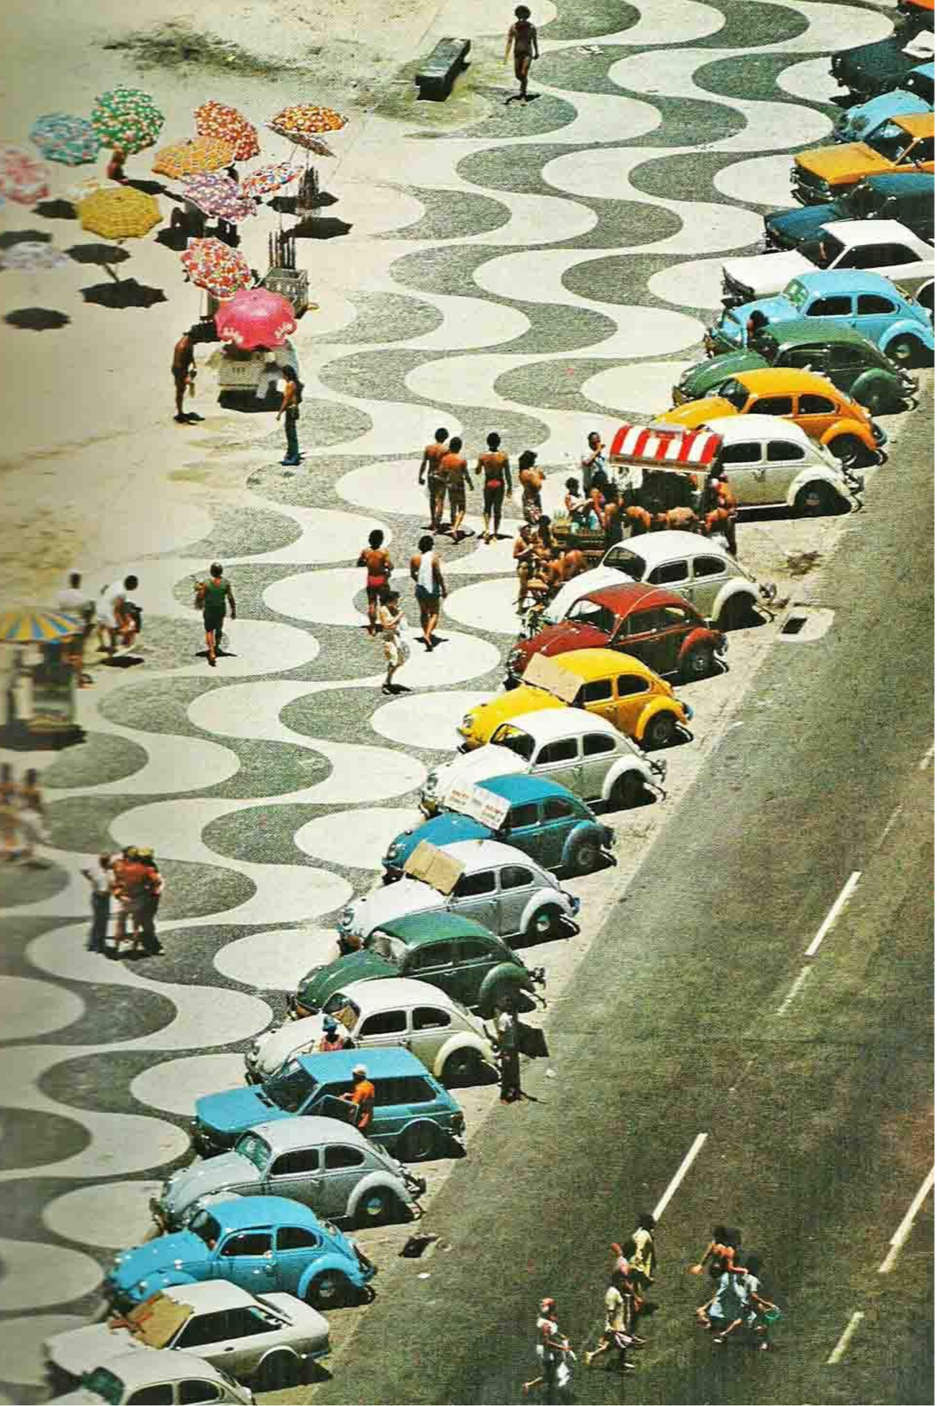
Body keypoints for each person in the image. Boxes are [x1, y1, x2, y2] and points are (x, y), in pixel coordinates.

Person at [583, 1270, 639, 1372]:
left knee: (612, 1345)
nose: (624, 1283)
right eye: (622, 1280)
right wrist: (610, 1326)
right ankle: (618, 1364)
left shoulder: (617, 1290)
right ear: (616, 1280)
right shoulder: (612, 1293)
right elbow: (610, 1311)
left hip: (619, 1322)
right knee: (623, 1343)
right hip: (616, 1324)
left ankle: (592, 1355)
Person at [410, 535, 447, 651]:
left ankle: (426, 632)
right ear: (431, 545)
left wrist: (420, 581)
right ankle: (428, 634)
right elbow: (438, 575)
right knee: (435, 613)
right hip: (432, 588)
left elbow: (413, 574)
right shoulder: (434, 558)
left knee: (423, 613)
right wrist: (444, 588)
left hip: (420, 588)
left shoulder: (414, 558)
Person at [195, 563, 236, 668]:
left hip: (209, 610)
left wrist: (198, 588)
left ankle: (212, 652)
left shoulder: (207, 583)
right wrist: (233, 610)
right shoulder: (226, 583)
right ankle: (217, 646)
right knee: (219, 629)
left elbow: (201, 596)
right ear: (221, 571)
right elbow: (230, 598)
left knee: (209, 630)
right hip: (220, 609)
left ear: (211, 572)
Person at [477, 431, 512, 542]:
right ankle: (496, 533)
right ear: (499, 443)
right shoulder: (503, 456)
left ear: (488, 442)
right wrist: (510, 487)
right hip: (499, 483)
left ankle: (487, 529)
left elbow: (477, 471)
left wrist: (480, 465)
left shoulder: (483, 456)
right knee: (497, 509)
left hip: (488, 483)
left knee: (487, 508)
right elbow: (507, 474)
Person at [357, 530, 393, 637]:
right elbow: (389, 565)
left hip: (371, 579)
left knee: (372, 603)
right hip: (381, 579)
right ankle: (385, 624)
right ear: (381, 540)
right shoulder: (383, 552)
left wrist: (368, 562)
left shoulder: (366, 551)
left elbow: (360, 563)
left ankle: (372, 627)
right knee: (384, 603)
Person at [438, 436, 474, 540]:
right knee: (462, 509)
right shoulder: (461, 460)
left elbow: (441, 473)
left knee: (453, 505)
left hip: (449, 485)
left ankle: (453, 522)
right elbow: (466, 475)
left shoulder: (444, 459)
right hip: (459, 485)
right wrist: (470, 484)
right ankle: (455, 528)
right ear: (459, 447)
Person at [505, 4, 539, 104]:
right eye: (520, 16)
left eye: (524, 16)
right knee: (517, 75)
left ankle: (523, 93)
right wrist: (506, 55)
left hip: (527, 53)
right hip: (517, 53)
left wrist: (537, 52)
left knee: (523, 73)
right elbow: (509, 41)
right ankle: (523, 85)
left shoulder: (531, 27)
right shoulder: (513, 27)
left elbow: (534, 40)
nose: (522, 19)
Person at [133, 848, 164, 957]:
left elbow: (156, 883)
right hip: (145, 897)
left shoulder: (150, 868)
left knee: (146, 921)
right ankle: (148, 942)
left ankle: (152, 944)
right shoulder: (145, 866)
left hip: (148, 898)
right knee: (143, 920)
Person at [378, 588, 409, 695]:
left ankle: (388, 681)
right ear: (389, 600)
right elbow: (387, 625)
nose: (397, 601)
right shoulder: (383, 609)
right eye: (395, 600)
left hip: (396, 636)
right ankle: (386, 683)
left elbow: (402, 625)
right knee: (393, 660)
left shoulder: (394, 609)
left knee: (399, 661)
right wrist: (399, 615)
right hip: (388, 638)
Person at [418, 427, 449, 531]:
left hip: (431, 475)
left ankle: (433, 521)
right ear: (445, 437)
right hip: (441, 476)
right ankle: (437, 521)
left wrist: (420, 476)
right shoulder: (446, 450)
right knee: (440, 499)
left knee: (432, 498)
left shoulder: (428, 448)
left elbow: (424, 463)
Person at [81, 853, 113, 954]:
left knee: (98, 921)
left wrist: (92, 881)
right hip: (101, 898)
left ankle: (92, 944)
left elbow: (84, 871)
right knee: (101, 922)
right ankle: (99, 945)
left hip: (98, 897)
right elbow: (84, 871)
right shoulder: (106, 873)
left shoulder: (98, 870)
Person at [494, 999, 521, 1102]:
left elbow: (501, 1035)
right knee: (511, 1071)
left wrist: (501, 1051)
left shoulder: (503, 1019)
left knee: (508, 1072)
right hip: (511, 1048)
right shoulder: (508, 1018)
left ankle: (508, 1094)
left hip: (508, 1049)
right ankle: (512, 1092)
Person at [277, 365, 303, 466]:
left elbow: (286, 400)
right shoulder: (297, 383)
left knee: (290, 433)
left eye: (283, 374)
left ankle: (293, 456)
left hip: (290, 411)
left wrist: (280, 413)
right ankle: (291, 453)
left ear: (286, 374)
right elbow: (299, 399)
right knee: (292, 432)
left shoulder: (290, 385)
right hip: (295, 409)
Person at [342, 1064, 375, 1132]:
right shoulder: (369, 1085)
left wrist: (342, 1099)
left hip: (359, 1120)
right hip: (367, 1116)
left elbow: (353, 1105)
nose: (353, 1075)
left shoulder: (359, 1089)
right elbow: (366, 1096)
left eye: (354, 1074)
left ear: (357, 1076)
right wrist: (351, 1095)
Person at [172, 333, 197, 424]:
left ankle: (181, 412)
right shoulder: (183, 346)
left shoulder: (189, 342)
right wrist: (185, 377)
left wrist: (193, 365)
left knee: (181, 390)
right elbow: (178, 363)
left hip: (182, 369)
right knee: (180, 391)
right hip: (179, 370)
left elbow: (190, 356)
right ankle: (180, 414)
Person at [513, 524, 537, 609]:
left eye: (529, 528)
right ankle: (520, 608)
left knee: (533, 585)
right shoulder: (519, 541)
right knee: (524, 588)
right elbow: (515, 555)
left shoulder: (529, 540)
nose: (529, 530)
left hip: (531, 566)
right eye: (527, 528)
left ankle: (538, 602)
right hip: (523, 568)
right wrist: (527, 551)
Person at [518, 449, 544, 524]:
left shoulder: (529, 472)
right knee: (534, 519)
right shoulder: (527, 473)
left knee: (537, 517)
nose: (534, 462)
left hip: (534, 497)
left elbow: (543, 477)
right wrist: (537, 473)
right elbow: (537, 484)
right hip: (530, 499)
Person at [580, 430, 606, 496]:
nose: (597, 444)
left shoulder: (599, 451)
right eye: (594, 442)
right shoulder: (586, 452)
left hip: (602, 483)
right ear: (590, 442)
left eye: (599, 441)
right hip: (591, 485)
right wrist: (597, 451)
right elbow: (586, 462)